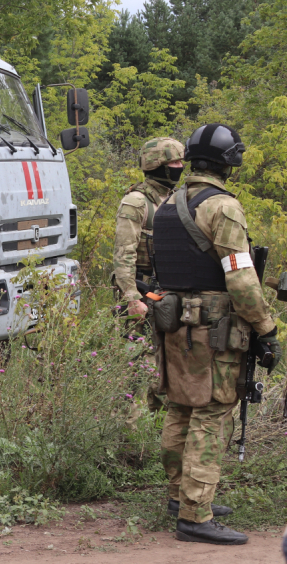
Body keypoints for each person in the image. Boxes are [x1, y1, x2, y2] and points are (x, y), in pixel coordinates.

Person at [152, 123, 280, 545]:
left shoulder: (168, 203)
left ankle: (180, 497)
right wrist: (267, 328)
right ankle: (195, 514)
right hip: (213, 330)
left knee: (180, 409)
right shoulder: (222, 207)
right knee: (211, 412)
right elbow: (241, 281)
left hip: (174, 326)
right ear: (229, 162)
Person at [113, 137, 184, 416]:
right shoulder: (136, 202)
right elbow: (123, 255)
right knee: (135, 364)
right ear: (159, 166)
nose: (180, 167)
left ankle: (158, 425)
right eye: (175, 162)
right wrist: (132, 298)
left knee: (169, 363)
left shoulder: (176, 199)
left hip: (168, 294)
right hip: (140, 292)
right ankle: (126, 428)